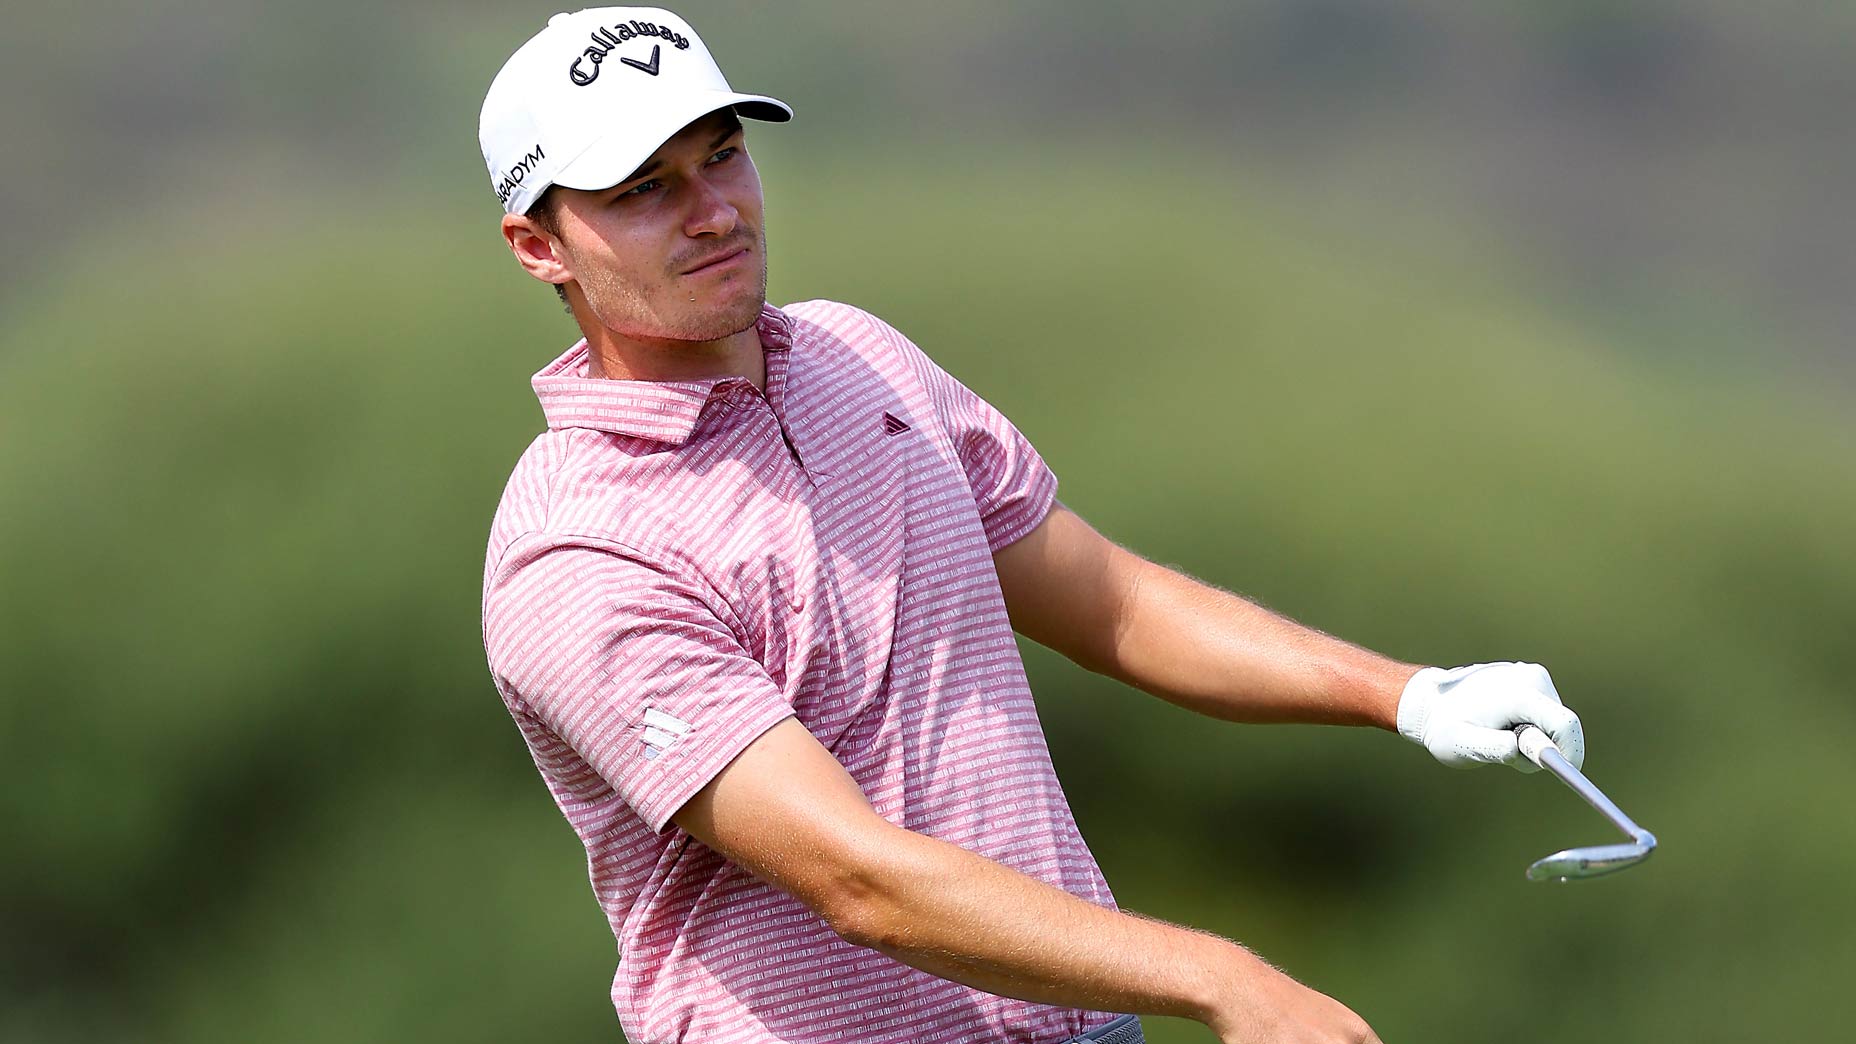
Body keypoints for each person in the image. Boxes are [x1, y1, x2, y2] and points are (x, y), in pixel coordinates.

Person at [476, 8, 1587, 1044]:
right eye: (641, 189)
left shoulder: (855, 355)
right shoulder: (575, 554)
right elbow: (856, 881)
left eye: (720, 154)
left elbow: (1116, 604)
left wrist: (1408, 695)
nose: (713, 209)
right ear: (539, 247)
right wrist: (1223, 978)